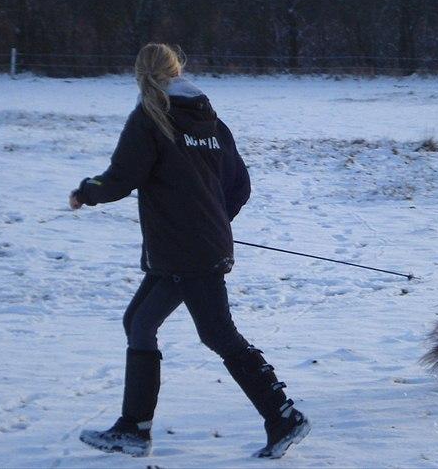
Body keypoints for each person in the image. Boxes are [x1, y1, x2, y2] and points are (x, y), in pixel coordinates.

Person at [69, 43, 310, 459]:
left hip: (186, 252)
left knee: (215, 334)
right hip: (189, 248)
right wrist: (212, 223)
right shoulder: (210, 120)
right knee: (140, 322)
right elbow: (240, 187)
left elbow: (120, 178)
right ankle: (135, 429)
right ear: (177, 70)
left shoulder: (151, 118)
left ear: (141, 75)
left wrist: (85, 193)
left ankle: (283, 416)